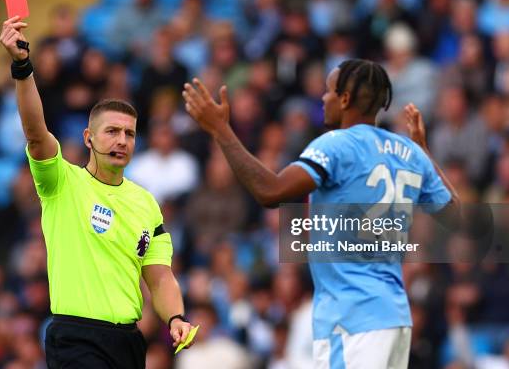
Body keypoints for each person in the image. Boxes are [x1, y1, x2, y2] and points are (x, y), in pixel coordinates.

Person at [182, 59, 460, 368]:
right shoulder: (408, 152)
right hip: (394, 316)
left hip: (351, 319)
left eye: (328, 92)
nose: (323, 99)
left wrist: (221, 129)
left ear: (344, 99)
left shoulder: (336, 146)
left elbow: (271, 192)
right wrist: (423, 151)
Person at [0, 16, 194, 368]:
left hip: (129, 342)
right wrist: (23, 67)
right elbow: (35, 132)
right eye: (112, 131)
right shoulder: (61, 182)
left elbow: (160, 276)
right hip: (76, 339)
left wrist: (175, 318)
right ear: (88, 138)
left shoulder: (145, 203)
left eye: (130, 134)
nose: (122, 140)